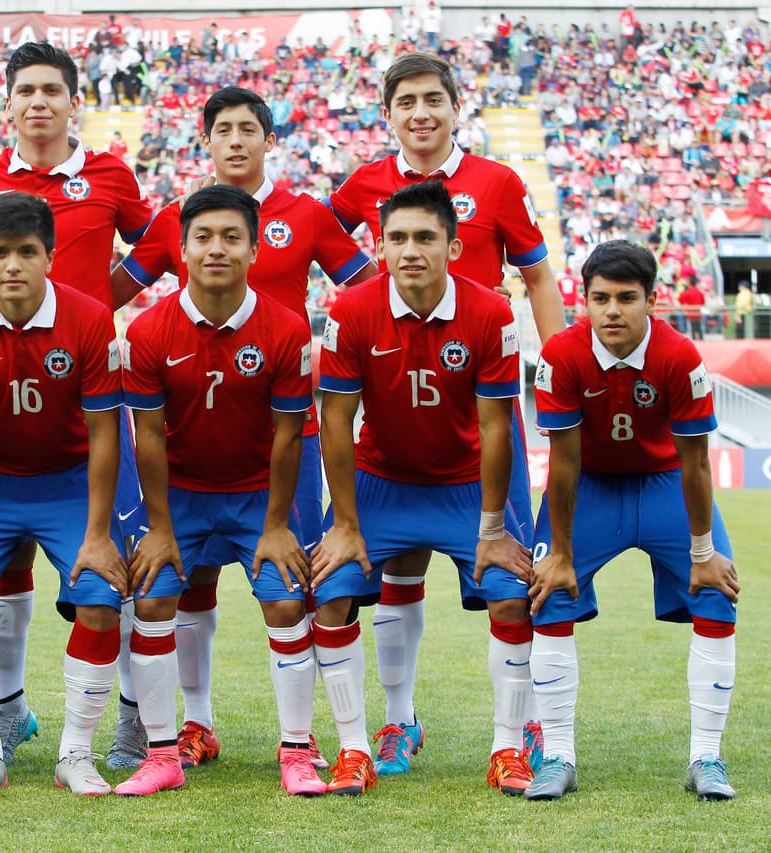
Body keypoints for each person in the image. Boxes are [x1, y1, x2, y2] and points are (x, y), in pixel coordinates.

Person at [108, 85, 375, 769]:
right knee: (182, 584)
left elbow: (372, 286)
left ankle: (308, 734)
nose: (234, 139)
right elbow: (109, 291)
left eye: (247, 128)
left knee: (296, 586)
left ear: (267, 139)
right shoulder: (176, 218)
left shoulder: (307, 214)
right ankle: (194, 724)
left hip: (284, 432)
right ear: (205, 141)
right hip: (191, 433)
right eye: (221, 128)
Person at [328, 53, 560, 769]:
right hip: (394, 397)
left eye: (435, 99)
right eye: (407, 101)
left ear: (456, 107)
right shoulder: (362, 186)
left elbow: (538, 276)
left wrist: (560, 368)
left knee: (517, 577)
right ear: (389, 113)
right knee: (394, 574)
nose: (421, 113)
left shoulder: (498, 182)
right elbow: (313, 246)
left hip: (474, 391)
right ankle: (397, 722)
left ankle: (524, 728)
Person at [0, 41, 152, 764]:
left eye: (52, 90)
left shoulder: (109, 174)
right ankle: (7, 711)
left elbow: (158, 246)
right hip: (3, 400)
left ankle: (131, 717)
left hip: (90, 394)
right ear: (8, 103)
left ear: (73, 101)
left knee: (118, 573)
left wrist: (100, 304)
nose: (39, 102)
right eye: (25, 90)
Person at [312, 181, 535, 796]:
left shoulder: (491, 312)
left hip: (463, 487)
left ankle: (508, 748)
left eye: (426, 238)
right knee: (329, 593)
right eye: (398, 239)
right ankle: (356, 748)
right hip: (381, 483)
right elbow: (335, 419)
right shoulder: (351, 310)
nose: (411, 250)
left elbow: (496, 427)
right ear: (379, 247)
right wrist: (345, 524)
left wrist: (493, 529)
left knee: (513, 596)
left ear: (454, 247)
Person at [116, 185, 323, 797]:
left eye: (231, 237)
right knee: (152, 600)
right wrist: (158, 528)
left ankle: (296, 752)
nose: (216, 249)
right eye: (203, 237)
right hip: (178, 493)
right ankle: (161, 755)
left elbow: (289, 438)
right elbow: (146, 437)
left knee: (287, 601)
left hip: (257, 493)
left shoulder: (286, 331)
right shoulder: (149, 332)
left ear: (256, 250)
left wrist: (278, 525)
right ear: (181, 249)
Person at [0, 193, 127, 796]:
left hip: (67, 483)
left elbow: (103, 433)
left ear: (50, 256)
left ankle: (76, 755)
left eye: (27, 252)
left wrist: (95, 534)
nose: (13, 265)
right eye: (0, 252)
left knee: (99, 598)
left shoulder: (89, 319)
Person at [525, 240, 739, 802]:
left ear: (651, 300)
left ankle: (706, 758)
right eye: (600, 298)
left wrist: (701, 552)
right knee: (547, 594)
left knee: (718, 593)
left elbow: (695, 461)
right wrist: (563, 553)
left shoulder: (680, 357)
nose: (612, 311)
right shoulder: (561, 357)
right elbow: (564, 463)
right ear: (584, 300)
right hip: (590, 486)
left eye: (626, 298)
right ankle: (557, 757)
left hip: (665, 483)